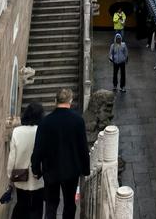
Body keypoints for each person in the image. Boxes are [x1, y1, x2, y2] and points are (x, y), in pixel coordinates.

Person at [31, 87, 90, 219]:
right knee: (69, 204)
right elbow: (83, 148)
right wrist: (86, 169)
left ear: (55, 100)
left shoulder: (45, 122)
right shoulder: (78, 121)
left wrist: (36, 169)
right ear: (71, 100)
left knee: (51, 205)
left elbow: (38, 149)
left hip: (50, 171)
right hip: (71, 171)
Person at [7, 102, 45, 217]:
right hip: (38, 178)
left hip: (20, 177)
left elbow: (12, 157)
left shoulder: (17, 132)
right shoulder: (42, 131)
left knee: (22, 205)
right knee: (37, 208)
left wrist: (10, 176)